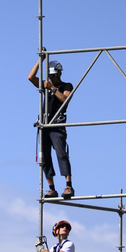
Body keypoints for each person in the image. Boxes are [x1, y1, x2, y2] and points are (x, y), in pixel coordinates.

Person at [28, 59, 75, 200]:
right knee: (45, 158)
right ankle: (51, 188)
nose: (52, 79)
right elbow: (30, 77)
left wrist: (53, 89)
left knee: (61, 154)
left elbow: (65, 100)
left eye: (54, 76)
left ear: (60, 74)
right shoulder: (46, 85)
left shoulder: (66, 86)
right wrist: (40, 60)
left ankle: (68, 185)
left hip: (57, 125)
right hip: (45, 125)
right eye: (50, 76)